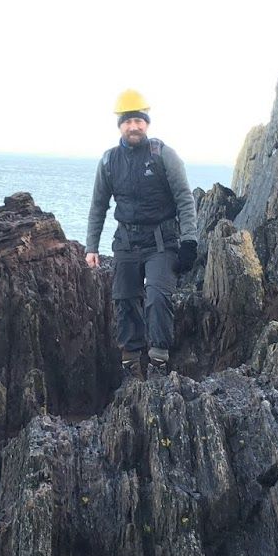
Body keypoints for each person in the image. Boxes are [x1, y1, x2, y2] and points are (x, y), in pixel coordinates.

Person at [84, 90, 198, 378]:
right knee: (124, 299)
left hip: (161, 241)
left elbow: (185, 198)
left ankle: (159, 360)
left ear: (146, 123)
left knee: (158, 297)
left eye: (138, 120)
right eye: (128, 121)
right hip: (126, 242)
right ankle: (131, 364)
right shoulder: (109, 161)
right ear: (120, 125)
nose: (133, 126)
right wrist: (91, 247)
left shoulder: (163, 155)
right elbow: (98, 205)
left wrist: (190, 242)